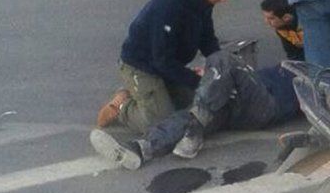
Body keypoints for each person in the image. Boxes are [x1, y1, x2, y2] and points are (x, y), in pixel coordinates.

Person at [95, 0, 242, 134]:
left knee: (197, 100)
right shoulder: (171, 2)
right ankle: (123, 107)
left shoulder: (203, 0)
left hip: (168, 65)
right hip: (142, 66)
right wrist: (196, 80)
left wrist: (219, 68)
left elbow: (207, 39)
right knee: (161, 124)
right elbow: (161, 60)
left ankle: (146, 95)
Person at [90, 49, 300, 170]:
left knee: (223, 58)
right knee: (192, 113)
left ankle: (125, 104)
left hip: (266, 104)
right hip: (236, 103)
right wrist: (211, 78)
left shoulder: (305, 77)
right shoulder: (286, 65)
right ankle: (141, 148)